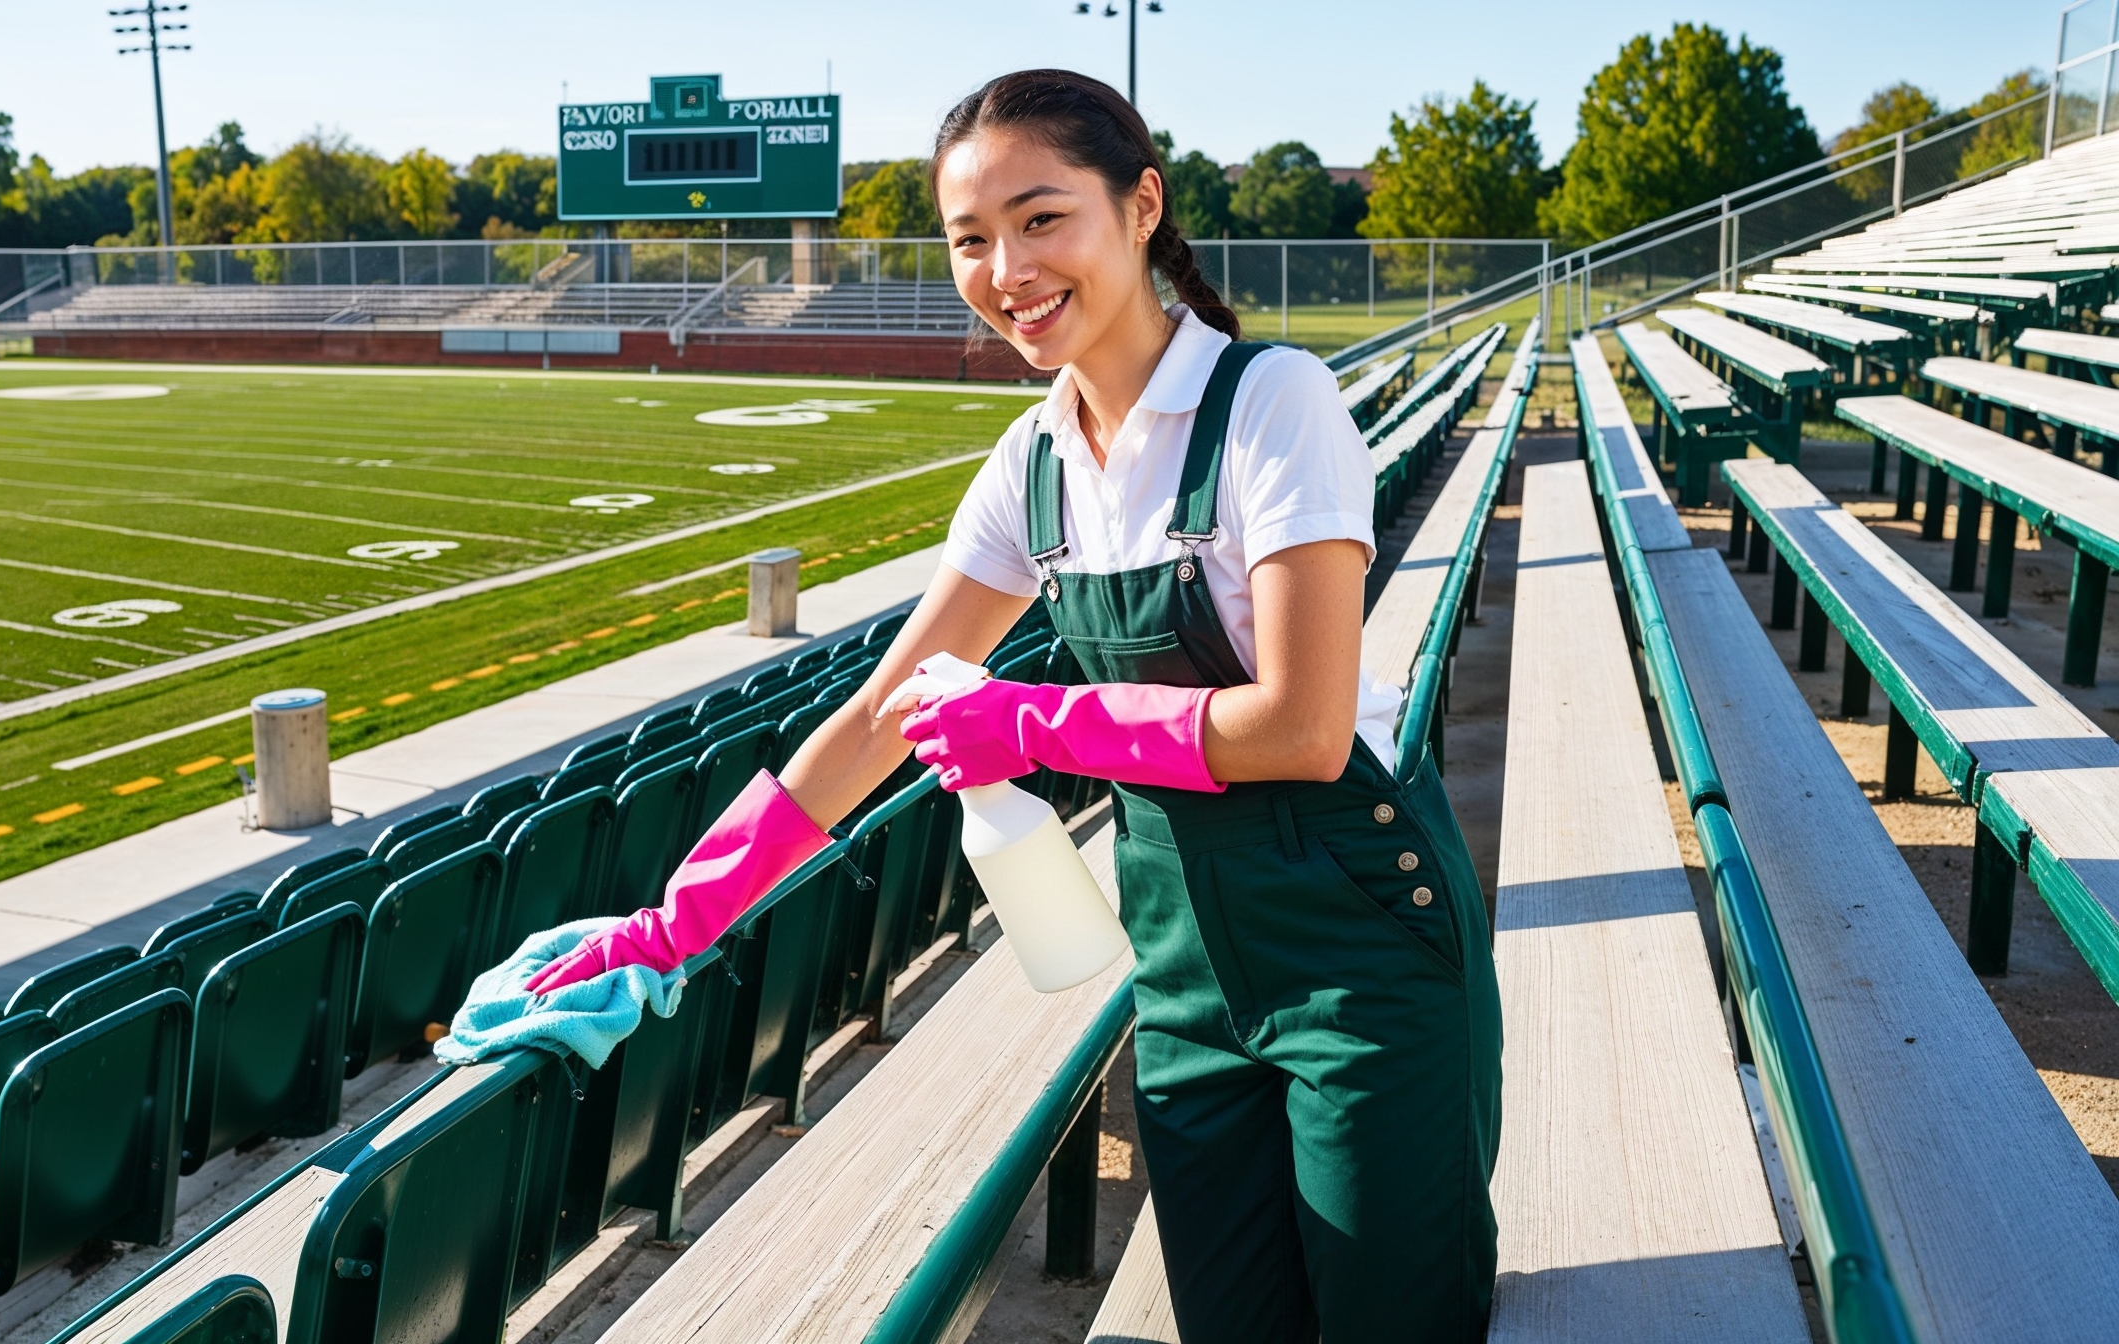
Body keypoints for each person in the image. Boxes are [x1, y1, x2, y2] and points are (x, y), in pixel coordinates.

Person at [525, 68, 1499, 1343]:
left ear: (1139, 206)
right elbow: (880, 715)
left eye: (1042, 219)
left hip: (1359, 941)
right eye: (970, 239)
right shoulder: (1028, 462)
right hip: (1186, 962)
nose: (1005, 269)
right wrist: (674, 922)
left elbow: (1302, 730)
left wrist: (1033, 722)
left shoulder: (1271, 403)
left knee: (1392, 1322)